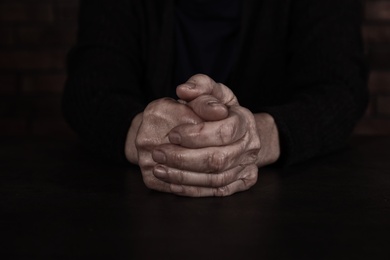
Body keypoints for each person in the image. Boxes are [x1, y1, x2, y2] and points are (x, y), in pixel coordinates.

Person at [62, 0, 368, 197]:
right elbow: (89, 88)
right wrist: (149, 135)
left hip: (287, 216)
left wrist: (255, 136)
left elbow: (341, 89)